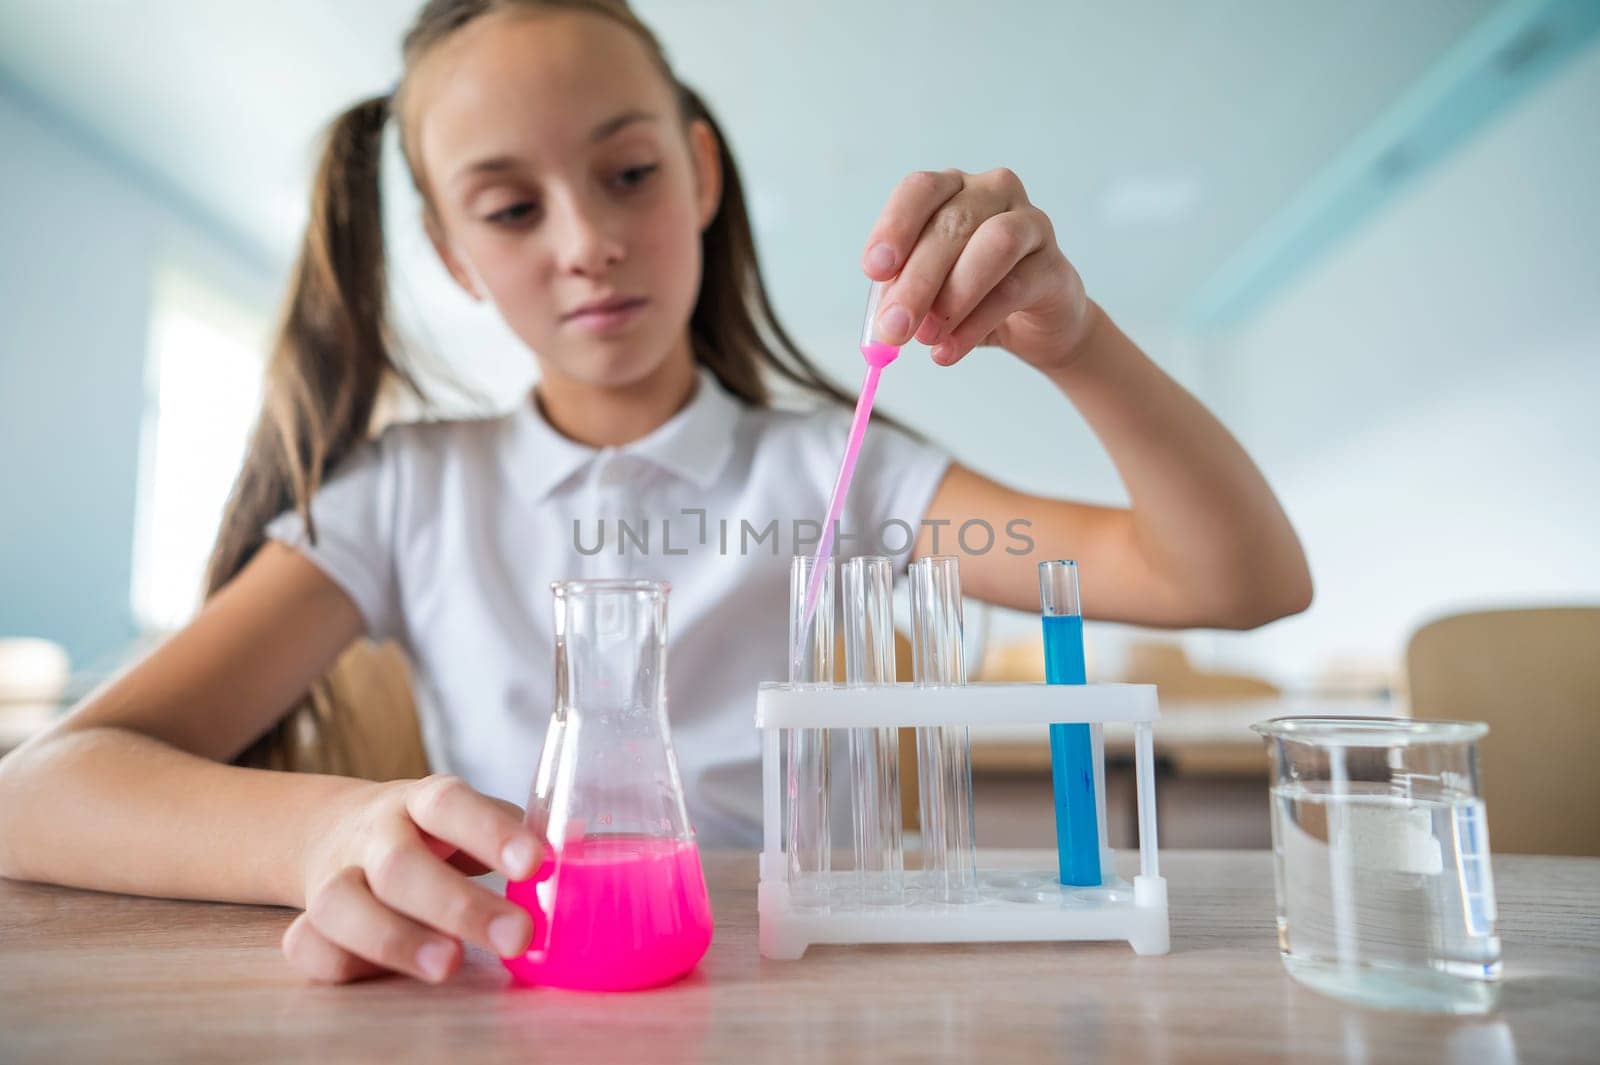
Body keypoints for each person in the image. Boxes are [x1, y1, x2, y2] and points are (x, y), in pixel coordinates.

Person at [0, 0, 1311, 985]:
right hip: (521, 978)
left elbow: (1233, 581)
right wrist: (329, 831)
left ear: (700, 172)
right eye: (511, 211)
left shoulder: (834, 475)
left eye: (628, 174)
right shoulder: (405, 498)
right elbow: (38, 793)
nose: (588, 242)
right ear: (455, 259)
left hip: (793, 985)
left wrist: (1075, 337)